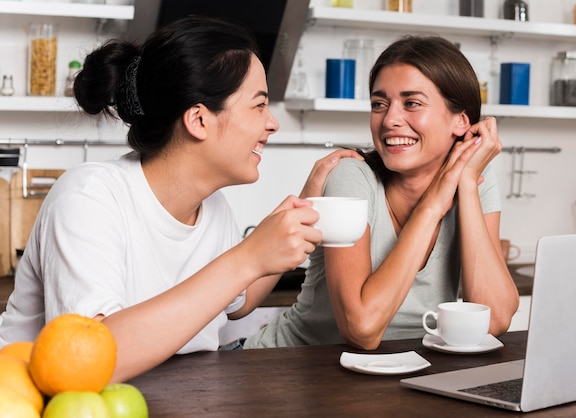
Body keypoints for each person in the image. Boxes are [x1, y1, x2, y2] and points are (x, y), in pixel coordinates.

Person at [0, 16, 360, 381]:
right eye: (258, 105)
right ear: (199, 120)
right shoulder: (89, 197)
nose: (272, 123)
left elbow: (239, 300)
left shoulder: (212, 208)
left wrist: (303, 206)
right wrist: (248, 257)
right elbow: (86, 362)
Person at [244, 35, 520, 349]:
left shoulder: (475, 179)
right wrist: (432, 207)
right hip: (283, 370)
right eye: (379, 104)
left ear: (461, 121)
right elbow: (362, 329)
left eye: (412, 103)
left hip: (392, 379)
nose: (389, 120)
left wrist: (467, 186)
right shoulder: (352, 177)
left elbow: (494, 320)